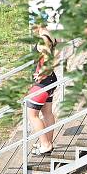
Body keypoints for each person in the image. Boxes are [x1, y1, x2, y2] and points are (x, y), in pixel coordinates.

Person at [26, 26, 58, 155]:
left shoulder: (42, 39)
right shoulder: (49, 35)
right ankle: (48, 143)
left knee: (32, 115)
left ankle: (45, 144)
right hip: (50, 80)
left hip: (43, 83)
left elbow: (50, 60)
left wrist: (42, 73)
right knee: (47, 113)